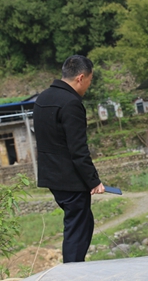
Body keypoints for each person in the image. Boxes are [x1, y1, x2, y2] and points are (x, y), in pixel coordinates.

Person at [33, 55, 105, 263]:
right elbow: (78, 149)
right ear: (81, 78)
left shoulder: (43, 98)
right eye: (90, 81)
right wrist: (94, 181)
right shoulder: (71, 103)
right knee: (77, 227)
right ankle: (71, 274)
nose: (88, 86)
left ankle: (74, 268)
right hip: (70, 179)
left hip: (52, 176)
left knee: (81, 222)